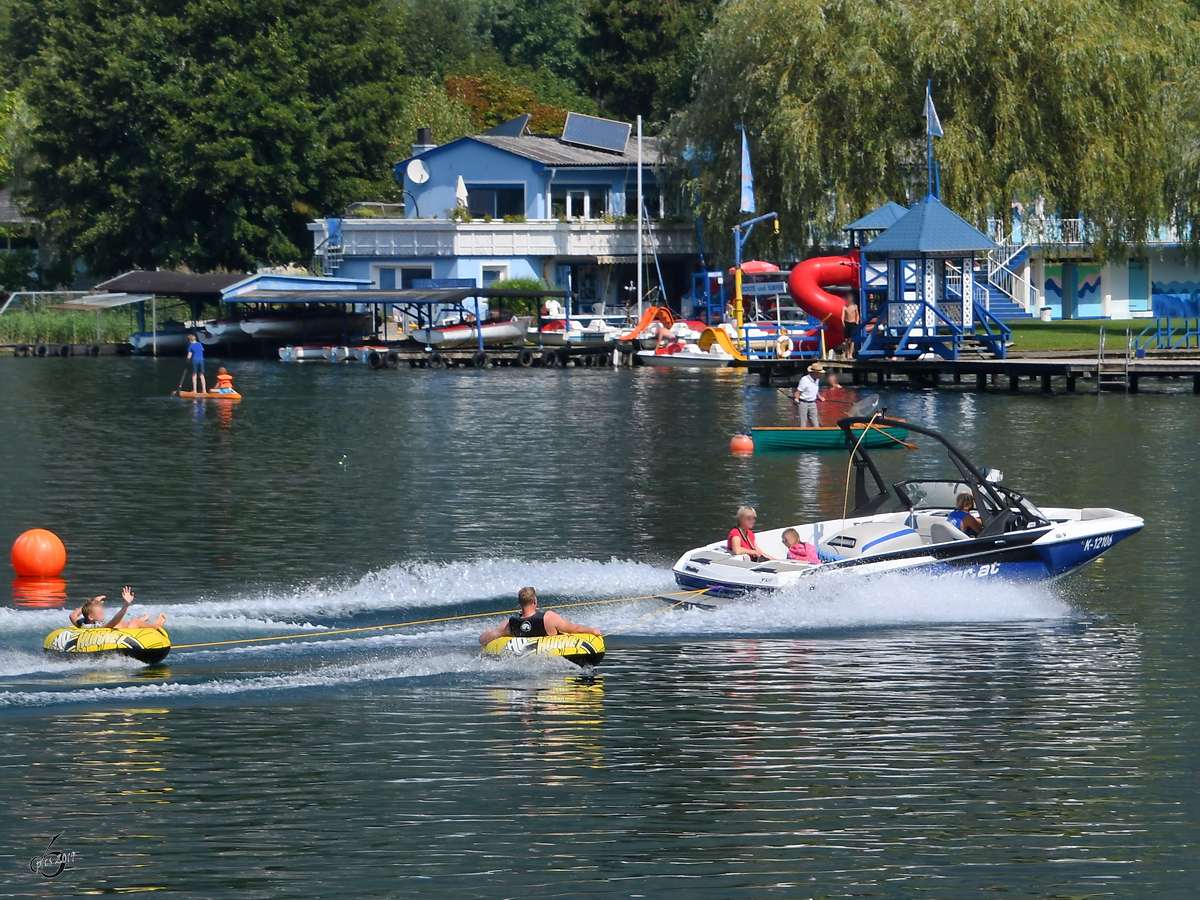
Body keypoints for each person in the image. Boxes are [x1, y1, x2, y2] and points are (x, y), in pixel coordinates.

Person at [478, 587, 602, 646]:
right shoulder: (548, 617)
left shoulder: (510, 623)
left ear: (519, 603)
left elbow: (483, 640)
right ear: (535, 601)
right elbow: (576, 629)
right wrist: (593, 630)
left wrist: (487, 633)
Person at [70, 586, 166, 630]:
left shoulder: (82, 623)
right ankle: (154, 625)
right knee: (134, 621)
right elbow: (114, 621)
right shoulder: (97, 627)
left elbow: (73, 615)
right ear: (91, 616)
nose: (103, 614)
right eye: (100, 613)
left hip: (120, 630)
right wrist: (126, 605)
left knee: (120, 623)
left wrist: (92, 602)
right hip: (127, 636)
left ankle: (142, 621)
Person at [792, 362, 825, 427]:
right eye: (820, 373)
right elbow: (798, 392)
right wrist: (796, 398)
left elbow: (815, 389)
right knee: (802, 424)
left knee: (816, 425)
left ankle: (816, 435)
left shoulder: (817, 380)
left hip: (813, 403)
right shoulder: (804, 380)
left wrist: (819, 397)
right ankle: (802, 435)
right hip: (803, 403)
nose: (821, 374)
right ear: (815, 373)